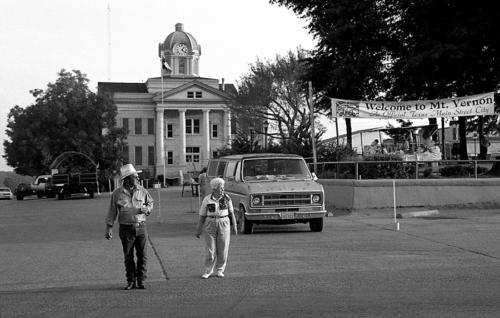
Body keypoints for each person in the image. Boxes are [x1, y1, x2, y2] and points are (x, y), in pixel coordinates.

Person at [105, 164, 154, 290]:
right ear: (127, 179)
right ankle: (130, 281)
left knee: (142, 255)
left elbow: (151, 202)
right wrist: (109, 228)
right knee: (128, 256)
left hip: (141, 227)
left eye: (137, 176)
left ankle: (141, 280)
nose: (138, 178)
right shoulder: (117, 194)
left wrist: (147, 209)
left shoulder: (142, 190)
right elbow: (112, 211)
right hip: (126, 229)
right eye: (135, 176)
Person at [195, 177, 238, 279]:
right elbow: (202, 215)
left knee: (223, 248)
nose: (222, 189)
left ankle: (220, 270)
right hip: (210, 223)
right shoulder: (207, 199)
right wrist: (199, 229)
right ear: (214, 189)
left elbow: (232, 213)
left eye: (223, 187)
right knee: (210, 249)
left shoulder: (227, 198)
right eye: (220, 188)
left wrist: (235, 226)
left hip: (224, 222)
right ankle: (208, 270)